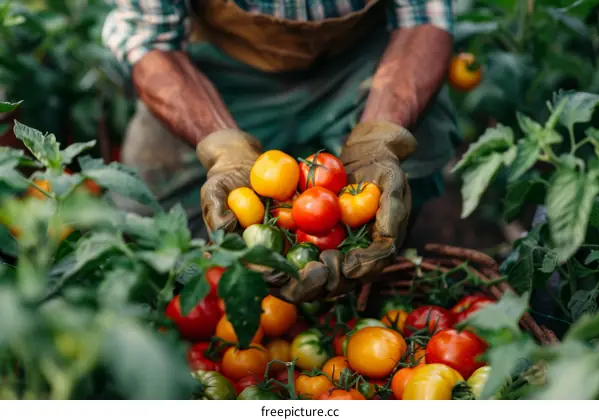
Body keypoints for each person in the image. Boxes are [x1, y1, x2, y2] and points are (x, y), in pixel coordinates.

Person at [102, 0, 460, 303]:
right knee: (146, 215)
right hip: (215, 73)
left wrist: (378, 140)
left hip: (363, 63)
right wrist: (223, 148)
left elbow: (424, 18)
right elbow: (150, 40)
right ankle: (195, 295)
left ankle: (372, 284)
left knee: (403, 172)